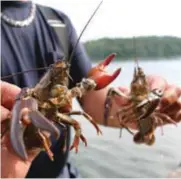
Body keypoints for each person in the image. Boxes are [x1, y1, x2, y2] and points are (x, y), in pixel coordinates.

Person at [1, 1, 181, 178]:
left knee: (76, 123)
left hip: (62, 175)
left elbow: (97, 103)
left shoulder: (58, 23)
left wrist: (138, 109)